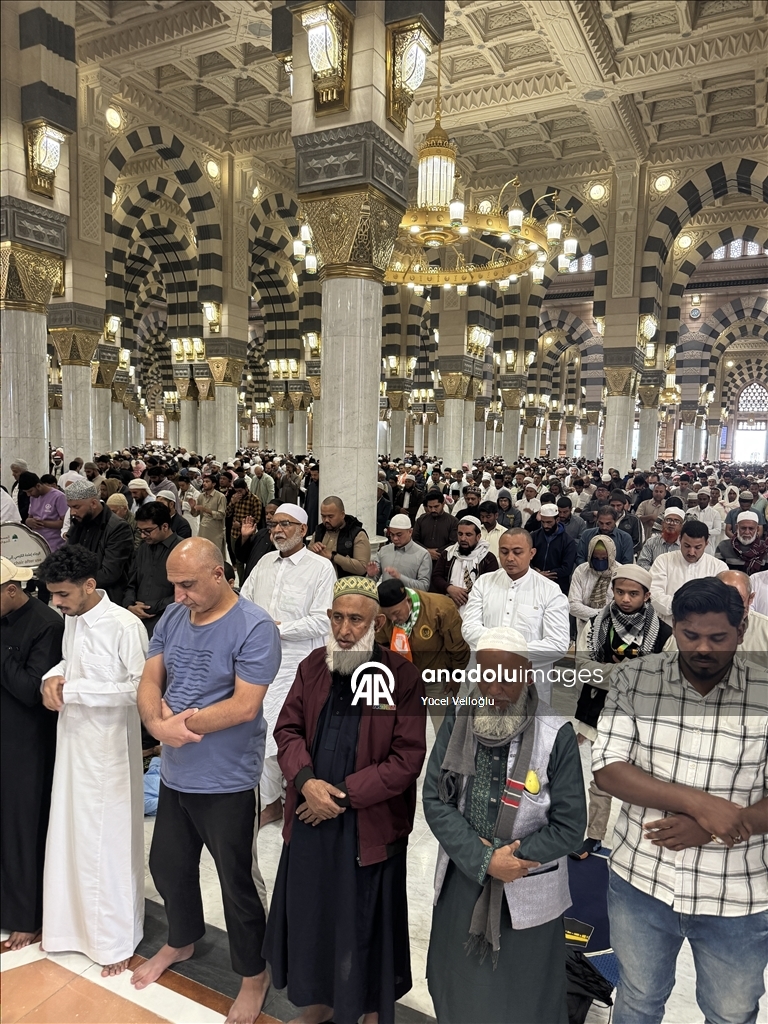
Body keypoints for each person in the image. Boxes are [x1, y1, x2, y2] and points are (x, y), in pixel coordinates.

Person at [592, 578, 768, 1024]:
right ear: (676, 629)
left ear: (741, 630)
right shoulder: (636, 678)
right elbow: (608, 767)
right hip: (641, 879)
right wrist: (701, 804)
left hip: (736, 891)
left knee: (731, 1014)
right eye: (691, 635)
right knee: (638, 1000)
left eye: (718, 637)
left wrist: (717, 827)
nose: (703, 648)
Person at [263, 576, 427, 1024]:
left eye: (356, 620)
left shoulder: (402, 677)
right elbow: (287, 729)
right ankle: (320, 1004)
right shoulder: (313, 667)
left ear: (377, 625)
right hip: (309, 816)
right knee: (314, 919)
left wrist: (340, 797)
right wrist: (306, 782)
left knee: (364, 925)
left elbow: (406, 758)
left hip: (366, 827)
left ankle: (367, 1011)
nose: (344, 629)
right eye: (337, 618)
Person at [132, 538, 281, 1024]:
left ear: (219, 574)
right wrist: (156, 726)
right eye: (174, 585)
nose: (178, 596)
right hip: (176, 773)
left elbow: (245, 706)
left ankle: (253, 974)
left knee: (237, 883)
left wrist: (180, 727)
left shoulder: (254, 626)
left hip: (227, 780)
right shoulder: (175, 617)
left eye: (188, 585)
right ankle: (182, 939)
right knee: (168, 866)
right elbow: (150, 680)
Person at [423, 626, 586, 1024]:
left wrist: (511, 860)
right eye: (487, 676)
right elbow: (435, 799)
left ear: (527, 673)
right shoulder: (459, 719)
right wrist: (484, 859)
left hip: (527, 887)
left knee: (524, 997)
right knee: (456, 988)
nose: (494, 688)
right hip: (464, 877)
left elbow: (570, 826)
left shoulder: (556, 733)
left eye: (507, 678)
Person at [38, 545, 148, 975]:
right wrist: (53, 677)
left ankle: (114, 940)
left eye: (63, 594)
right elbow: (70, 662)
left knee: (109, 843)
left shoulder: (125, 626)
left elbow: (140, 689)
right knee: (70, 834)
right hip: (72, 744)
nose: (56, 603)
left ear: (89, 585)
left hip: (110, 753)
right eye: (53, 594)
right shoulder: (73, 618)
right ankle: (69, 930)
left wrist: (76, 691)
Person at [240, 503, 336, 827]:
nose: (278, 530)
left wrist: (276, 629)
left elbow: (322, 620)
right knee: (258, 729)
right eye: (274, 524)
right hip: (257, 661)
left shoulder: (320, 568)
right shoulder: (264, 563)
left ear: (304, 530)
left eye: (286, 524)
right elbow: (244, 603)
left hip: (298, 665)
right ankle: (271, 802)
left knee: (285, 732)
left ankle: (287, 798)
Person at [572, 564, 674, 859]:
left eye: (633, 593)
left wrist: (611, 672)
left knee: (644, 779)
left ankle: (642, 841)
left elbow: (665, 678)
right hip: (600, 710)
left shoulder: (664, 633)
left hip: (643, 716)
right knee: (601, 778)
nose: (625, 599)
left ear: (647, 595)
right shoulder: (596, 625)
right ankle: (594, 835)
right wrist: (630, 672)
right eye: (619, 592)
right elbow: (583, 668)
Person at [0, 557, 63, 950]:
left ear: (11, 590)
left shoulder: (46, 624)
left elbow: (30, 690)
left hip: (27, 742)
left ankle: (27, 916)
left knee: (23, 827)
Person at [462, 529, 570, 704]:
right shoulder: (484, 583)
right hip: (486, 678)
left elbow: (557, 644)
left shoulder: (550, 590)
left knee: (528, 720)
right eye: (504, 552)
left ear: (532, 553)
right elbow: (469, 628)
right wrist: (503, 651)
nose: (510, 558)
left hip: (530, 682)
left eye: (517, 552)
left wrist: (509, 654)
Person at [375, 577, 470, 729]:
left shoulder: (440, 608)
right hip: (403, 680)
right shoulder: (382, 615)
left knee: (444, 728)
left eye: (396, 613)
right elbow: (381, 645)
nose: (394, 619)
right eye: (388, 615)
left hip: (436, 677)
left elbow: (458, 647)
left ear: (408, 600)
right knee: (405, 728)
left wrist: (456, 675)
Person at [64, 479, 135, 605]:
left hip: (106, 599)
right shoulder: (79, 522)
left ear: (93, 503)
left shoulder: (118, 528)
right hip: (78, 597)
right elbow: (67, 557)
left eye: (76, 507)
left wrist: (73, 582)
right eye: (70, 507)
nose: (72, 512)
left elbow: (109, 574)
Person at [123, 502, 183, 639]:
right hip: (136, 621)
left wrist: (151, 607)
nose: (143, 536)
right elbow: (131, 583)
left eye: (148, 531)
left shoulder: (183, 550)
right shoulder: (143, 549)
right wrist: (129, 605)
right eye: (140, 531)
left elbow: (186, 594)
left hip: (170, 623)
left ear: (165, 526)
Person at [650, 520, 723, 625]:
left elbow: (720, 601)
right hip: (667, 625)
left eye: (697, 547)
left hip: (704, 627)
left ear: (706, 544)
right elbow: (654, 594)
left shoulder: (718, 567)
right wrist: (683, 607)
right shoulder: (663, 561)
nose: (691, 552)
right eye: (687, 546)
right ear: (680, 540)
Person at [431, 515, 499, 614]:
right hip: (447, 607)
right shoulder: (448, 554)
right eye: (460, 534)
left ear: (478, 537)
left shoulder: (487, 558)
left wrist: (467, 596)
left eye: (468, 535)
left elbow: (491, 587)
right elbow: (436, 577)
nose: (463, 538)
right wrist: (449, 588)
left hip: (476, 610)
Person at [366, 513, 432, 591]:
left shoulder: (423, 555)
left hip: (409, 598)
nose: (395, 538)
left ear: (410, 532)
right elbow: (371, 583)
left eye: (399, 535)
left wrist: (400, 577)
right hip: (384, 597)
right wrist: (370, 576)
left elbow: (424, 587)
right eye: (392, 534)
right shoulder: (384, 550)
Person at [309, 495, 371, 578]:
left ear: (342, 515)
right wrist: (313, 550)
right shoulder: (319, 531)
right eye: (323, 516)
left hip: (346, 585)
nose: (326, 520)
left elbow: (362, 568)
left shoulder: (357, 534)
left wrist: (333, 556)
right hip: (320, 582)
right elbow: (307, 558)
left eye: (330, 516)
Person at [568, 534, 617, 637]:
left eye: (604, 558)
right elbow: (573, 605)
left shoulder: (620, 573)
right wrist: (603, 615)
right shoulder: (581, 571)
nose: (600, 561)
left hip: (613, 629)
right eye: (596, 558)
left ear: (611, 556)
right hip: (585, 628)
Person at [529, 502, 576, 594]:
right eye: (543, 522)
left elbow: (567, 568)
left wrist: (545, 574)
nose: (545, 526)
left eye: (549, 522)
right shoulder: (534, 536)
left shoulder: (568, 541)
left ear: (557, 520)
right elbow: (526, 558)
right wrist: (535, 571)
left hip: (558, 586)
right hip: (534, 583)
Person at [19, 471, 68, 552]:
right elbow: (29, 517)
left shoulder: (59, 497)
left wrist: (43, 523)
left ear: (38, 486)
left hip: (55, 546)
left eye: (30, 491)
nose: (28, 495)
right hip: (37, 544)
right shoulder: (33, 497)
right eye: (26, 492)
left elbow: (65, 523)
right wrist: (28, 521)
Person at [235, 500, 278, 583]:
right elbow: (242, 557)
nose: (268, 517)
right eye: (266, 514)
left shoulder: (286, 539)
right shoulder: (261, 533)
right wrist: (245, 537)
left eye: (272, 513)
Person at [716, 510, 768, 574]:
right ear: (737, 527)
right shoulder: (723, 546)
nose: (747, 532)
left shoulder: (765, 548)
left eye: (751, 529)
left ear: (757, 529)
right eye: (743, 528)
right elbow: (719, 574)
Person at [412, 489, 458, 562]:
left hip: (444, 560)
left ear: (443, 504)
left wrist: (437, 553)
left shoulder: (453, 521)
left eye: (436, 506)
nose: (433, 510)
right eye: (430, 507)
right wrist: (427, 551)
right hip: (422, 559)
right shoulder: (421, 520)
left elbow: (454, 543)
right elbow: (414, 540)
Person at [188, 472, 227, 555]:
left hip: (215, 532)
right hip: (203, 530)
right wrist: (192, 508)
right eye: (204, 481)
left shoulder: (220, 497)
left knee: (215, 555)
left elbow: (221, 515)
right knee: (203, 554)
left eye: (207, 481)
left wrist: (205, 510)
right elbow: (195, 514)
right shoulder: (201, 496)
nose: (204, 483)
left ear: (214, 484)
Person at [688, 486, 722, 554]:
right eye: (700, 499)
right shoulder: (690, 511)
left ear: (709, 499)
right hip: (692, 545)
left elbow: (718, 530)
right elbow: (686, 527)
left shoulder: (715, 513)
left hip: (708, 547)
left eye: (704, 499)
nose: (702, 501)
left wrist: (703, 532)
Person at [609, 490, 643, 557]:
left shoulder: (634, 520)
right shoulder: (603, 519)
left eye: (618, 505)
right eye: (612, 505)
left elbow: (638, 543)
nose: (615, 509)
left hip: (627, 556)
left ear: (624, 505)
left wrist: (623, 552)